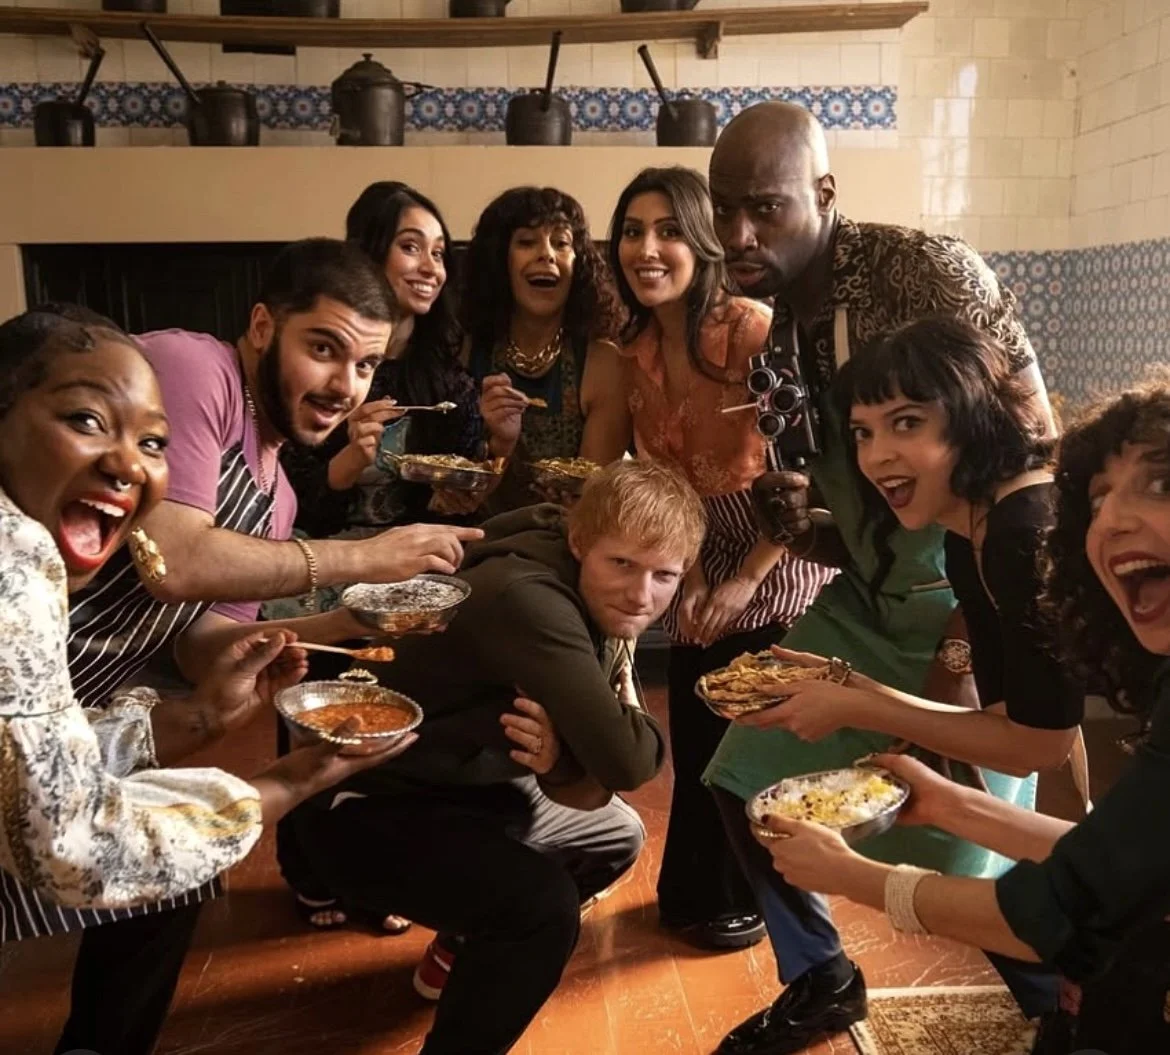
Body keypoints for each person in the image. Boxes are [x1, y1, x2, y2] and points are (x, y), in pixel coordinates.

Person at [702, 101, 1060, 1054]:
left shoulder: (926, 273)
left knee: (968, 826)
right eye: (724, 209)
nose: (738, 234)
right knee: (745, 770)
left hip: (960, 590)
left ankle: (1061, 998)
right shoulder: (778, 318)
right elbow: (858, 496)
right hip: (866, 594)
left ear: (824, 194)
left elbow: (1034, 453)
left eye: (765, 208)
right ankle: (821, 976)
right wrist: (808, 517)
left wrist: (962, 644)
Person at [0, 309, 414, 1055]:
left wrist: (201, 713)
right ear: (265, 326)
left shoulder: (276, 493)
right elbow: (67, 840)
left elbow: (30, 744)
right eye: (86, 420)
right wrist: (287, 782)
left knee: (174, 856)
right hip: (54, 832)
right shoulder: (15, 553)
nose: (128, 465)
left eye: (152, 443)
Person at [749, 378, 1170, 1055]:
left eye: (1160, 484)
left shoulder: (1013, 530)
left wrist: (854, 876)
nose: (1113, 518)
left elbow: (1056, 906)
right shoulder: (968, 539)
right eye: (1098, 497)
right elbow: (1110, 862)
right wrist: (951, 804)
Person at [291, 460, 705, 1055]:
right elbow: (630, 762)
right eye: (622, 564)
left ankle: (461, 941)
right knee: (543, 911)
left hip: (462, 781)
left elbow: (603, 778)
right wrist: (618, 713)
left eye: (664, 575)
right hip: (363, 802)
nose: (641, 595)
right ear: (580, 541)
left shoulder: (573, 568)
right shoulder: (528, 598)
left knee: (616, 834)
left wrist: (562, 757)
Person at [586, 165, 835, 950]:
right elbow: (666, 481)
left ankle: (756, 897)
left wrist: (743, 581)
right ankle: (695, 891)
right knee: (693, 716)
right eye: (632, 232)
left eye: (668, 231)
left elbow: (805, 473)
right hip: (698, 541)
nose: (646, 249)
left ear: (701, 241)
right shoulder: (634, 351)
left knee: (743, 723)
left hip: (780, 546)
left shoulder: (752, 330)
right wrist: (691, 580)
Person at [273, 185, 481, 933]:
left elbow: (458, 490)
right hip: (316, 568)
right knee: (316, 720)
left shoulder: (442, 377)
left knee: (391, 727)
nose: (429, 266)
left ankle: (377, 871)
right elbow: (287, 499)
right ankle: (307, 867)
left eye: (439, 251)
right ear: (369, 253)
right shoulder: (322, 367)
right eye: (409, 246)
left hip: (404, 580)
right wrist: (346, 462)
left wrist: (470, 480)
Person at [461, 185, 630, 511]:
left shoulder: (603, 364)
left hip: (565, 533)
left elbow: (592, 498)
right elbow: (458, 490)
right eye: (527, 242)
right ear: (499, 259)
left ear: (579, 263)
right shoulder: (467, 352)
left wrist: (574, 500)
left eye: (561, 243)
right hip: (474, 531)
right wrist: (498, 444)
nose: (547, 254)